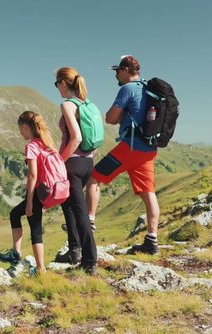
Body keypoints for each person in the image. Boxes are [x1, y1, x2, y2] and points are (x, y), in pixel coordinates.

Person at [87, 55, 160, 254]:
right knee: (149, 193)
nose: (116, 75)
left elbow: (110, 118)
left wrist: (118, 116)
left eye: (117, 71)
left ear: (126, 70)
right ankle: (152, 241)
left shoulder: (127, 89)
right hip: (148, 149)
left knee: (94, 178)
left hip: (130, 147)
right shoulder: (148, 88)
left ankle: (89, 221)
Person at [0, 111, 56, 274]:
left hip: (38, 192)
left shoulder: (32, 146)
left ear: (25, 127)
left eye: (20, 129)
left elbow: (32, 175)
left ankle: (40, 269)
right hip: (47, 190)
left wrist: (30, 202)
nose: (20, 132)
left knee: (35, 229)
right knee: (15, 214)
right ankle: (16, 254)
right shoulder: (47, 143)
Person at [52, 67, 98, 274]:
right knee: (68, 207)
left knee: (80, 214)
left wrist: (60, 162)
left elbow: (77, 137)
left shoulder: (68, 105)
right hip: (87, 162)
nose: (57, 89)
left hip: (72, 164)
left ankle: (90, 262)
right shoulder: (87, 104)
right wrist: (87, 158)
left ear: (63, 83)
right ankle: (75, 251)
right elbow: (93, 140)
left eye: (56, 84)